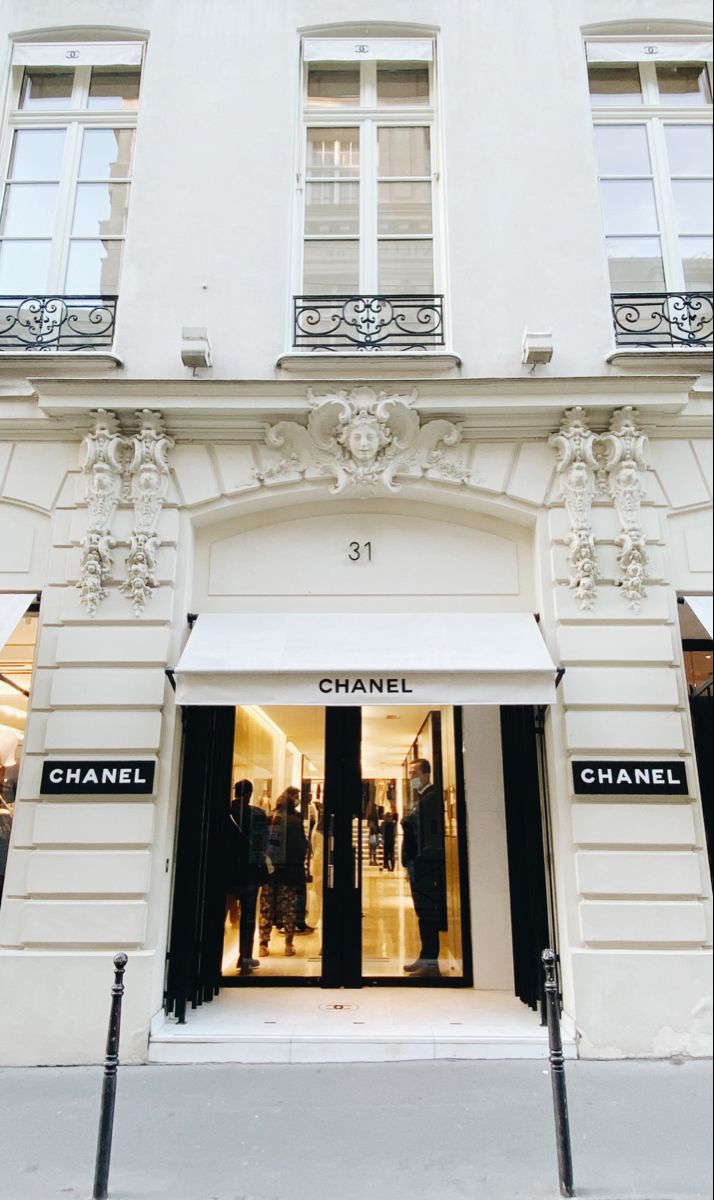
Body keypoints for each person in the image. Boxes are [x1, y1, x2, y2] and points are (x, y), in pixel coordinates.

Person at [401, 758, 447, 978]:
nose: (411, 778)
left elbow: (426, 832)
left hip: (426, 866)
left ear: (426, 774)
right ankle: (425, 956)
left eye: (414, 773)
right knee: (423, 913)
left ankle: (430, 961)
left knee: (427, 913)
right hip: (419, 864)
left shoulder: (431, 798)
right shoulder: (423, 798)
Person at [225, 779, 268, 976]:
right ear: (250, 792)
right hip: (250, 871)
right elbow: (263, 844)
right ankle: (245, 959)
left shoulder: (224, 812)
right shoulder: (257, 814)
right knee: (248, 917)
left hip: (227, 871)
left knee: (222, 914)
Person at [258, 787, 308, 958]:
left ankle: (263, 944)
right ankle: (288, 943)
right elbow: (301, 846)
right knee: (288, 908)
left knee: (266, 906)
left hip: (269, 869)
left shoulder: (268, 818)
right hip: (289, 870)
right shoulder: (295, 821)